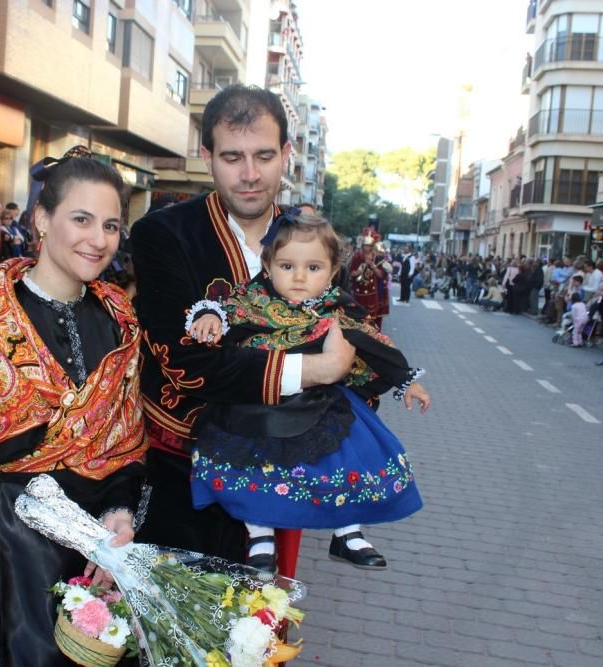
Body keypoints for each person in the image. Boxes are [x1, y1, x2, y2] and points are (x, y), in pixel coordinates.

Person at [0, 149, 146, 666]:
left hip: (84, 561)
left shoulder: (120, 319)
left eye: (110, 224)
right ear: (41, 219)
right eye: (80, 219)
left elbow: (123, 447)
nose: (98, 239)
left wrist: (121, 515)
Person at [132, 85, 384, 576]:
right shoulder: (163, 233)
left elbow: (353, 343)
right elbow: (186, 363)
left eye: (264, 155)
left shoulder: (315, 242)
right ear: (206, 156)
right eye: (232, 156)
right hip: (181, 473)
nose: (249, 174)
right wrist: (316, 369)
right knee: (171, 636)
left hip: (281, 477)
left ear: (287, 155)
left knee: (259, 633)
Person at [185, 211, 428, 575]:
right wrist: (210, 316)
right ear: (267, 267)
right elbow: (222, 306)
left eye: (313, 268)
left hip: (320, 403)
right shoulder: (253, 300)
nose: (299, 277)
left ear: (332, 273)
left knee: (348, 458)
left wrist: (408, 380)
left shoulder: (336, 309)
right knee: (253, 472)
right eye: (287, 265)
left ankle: (347, 532)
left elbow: (373, 341)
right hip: (258, 405)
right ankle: (259, 536)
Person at [348, 229, 391, 329]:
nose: (368, 248)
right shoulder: (357, 257)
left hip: (371, 294)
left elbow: (381, 275)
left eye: (370, 246)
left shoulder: (377, 259)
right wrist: (360, 269)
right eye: (366, 245)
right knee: (358, 320)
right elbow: (352, 274)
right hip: (358, 294)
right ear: (362, 246)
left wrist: (372, 265)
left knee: (371, 321)